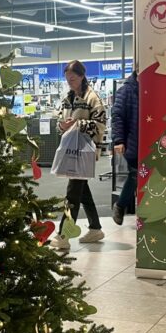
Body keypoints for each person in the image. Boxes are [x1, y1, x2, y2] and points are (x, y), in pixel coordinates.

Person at [51, 60, 106, 251]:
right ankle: (95, 228)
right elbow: (59, 118)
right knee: (81, 191)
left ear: (82, 76)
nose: (70, 82)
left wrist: (76, 124)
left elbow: (100, 124)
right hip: (71, 150)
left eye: (73, 78)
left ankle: (63, 235)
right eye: (67, 79)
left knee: (72, 194)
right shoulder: (68, 96)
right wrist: (62, 125)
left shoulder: (92, 97)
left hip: (84, 151)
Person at [110, 69, 138, 224]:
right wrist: (119, 140)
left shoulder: (152, 87)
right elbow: (117, 117)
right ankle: (120, 205)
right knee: (135, 175)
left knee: (138, 176)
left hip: (149, 141)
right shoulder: (126, 90)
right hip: (134, 142)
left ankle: (121, 206)